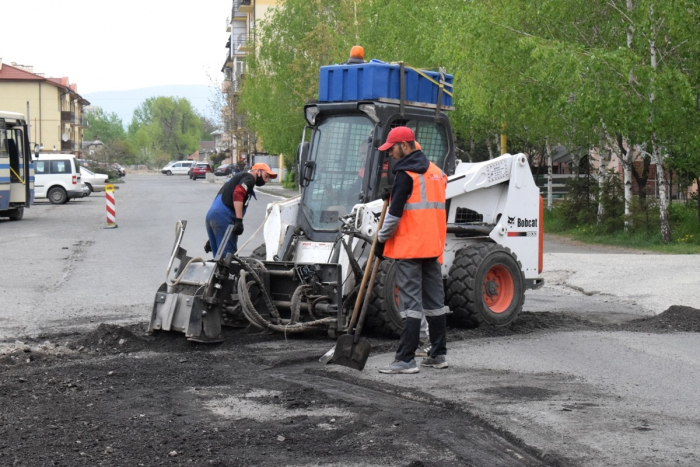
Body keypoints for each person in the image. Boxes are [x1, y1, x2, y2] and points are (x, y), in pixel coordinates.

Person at [375, 126, 449, 374]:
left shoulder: (406, 175)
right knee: (435, 303)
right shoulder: (437, 173)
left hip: (410, 248)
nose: (390, 154)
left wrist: (380, 240)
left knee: (410, 305)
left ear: (404, 146)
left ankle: (406, 359)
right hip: (432, 246)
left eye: (392, 149)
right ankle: (438, 354)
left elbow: (394, 216)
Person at [205, 163, 277, 257]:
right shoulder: (250, 178)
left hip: (212, 216)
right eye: (266, 176)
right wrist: (239, 220)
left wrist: (215, 235)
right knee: (228, 260)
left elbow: (222, 200)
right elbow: (238, 193)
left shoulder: (237, 178)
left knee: (218, 259)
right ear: (258, 171)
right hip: (224, 216)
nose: (266, 180)